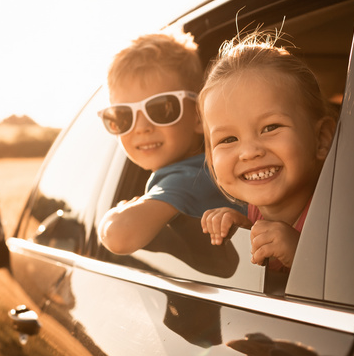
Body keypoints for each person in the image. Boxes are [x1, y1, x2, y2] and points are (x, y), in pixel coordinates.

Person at [98, 31, 246, 255]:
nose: (141, 127)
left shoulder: (189, 177)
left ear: (199, 115)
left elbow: (121, 237)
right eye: (123, 116)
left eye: (161, 109)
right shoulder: (199, 172)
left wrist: (113, 214)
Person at [199, 33, 338, 271]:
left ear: (321, 138)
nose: (249, 152)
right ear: (211, 158)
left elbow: (352, 289)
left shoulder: (340, 217)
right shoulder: (253, 211)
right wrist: (243, 231)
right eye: (228, 139)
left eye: (270, 127)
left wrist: (301, 256)